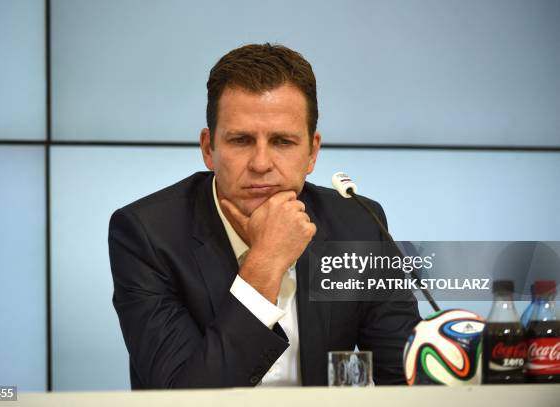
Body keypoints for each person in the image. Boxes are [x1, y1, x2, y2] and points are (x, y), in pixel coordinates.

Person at [108, 43, 420, 389]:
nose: (260, 164)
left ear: (312, 152)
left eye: (282, 142)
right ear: (209, 149)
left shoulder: (358, 224)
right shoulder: (147, 234)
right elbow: (184, 396)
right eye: (241, 140)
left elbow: (404, 376)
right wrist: (265, 263)